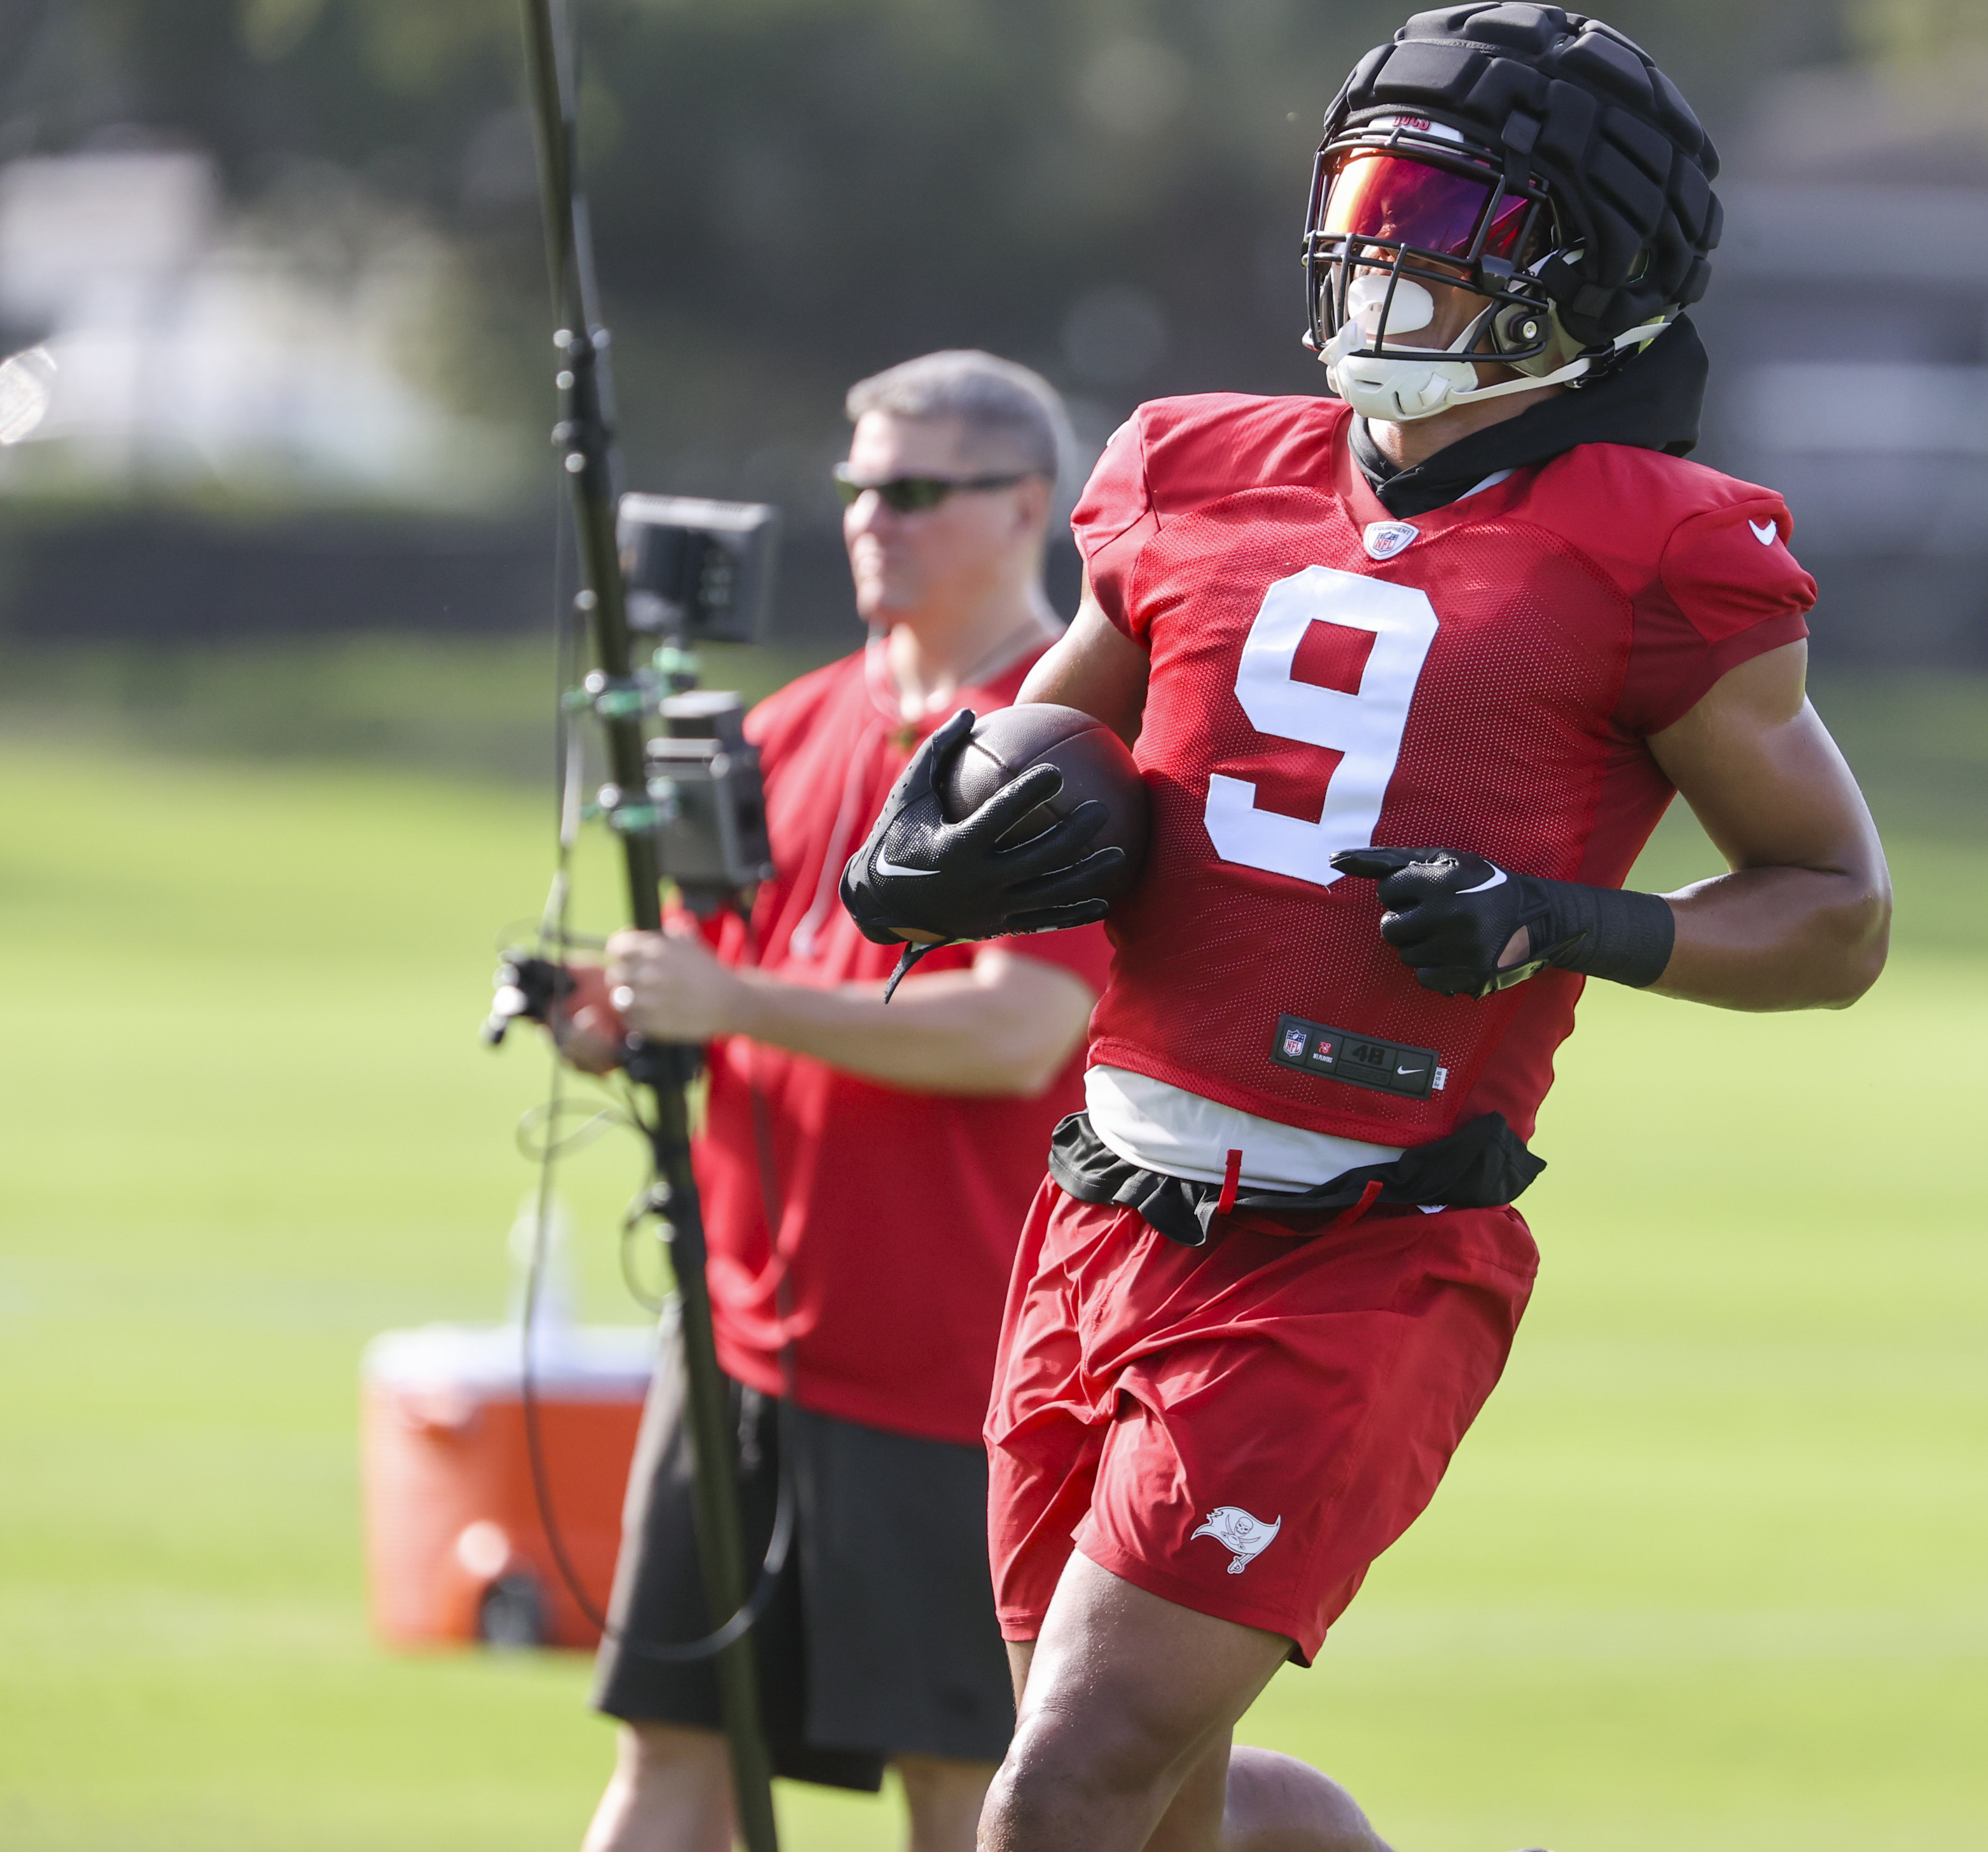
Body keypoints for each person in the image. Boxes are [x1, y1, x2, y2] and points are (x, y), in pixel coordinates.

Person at [842, 10, 1893, 1850]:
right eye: (1363, 191)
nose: (1382, 242)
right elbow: (1048, 731)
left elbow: (1836, 915)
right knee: (1160, 1801)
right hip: (1099, 1213)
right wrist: (931, 831)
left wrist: (1572, 924)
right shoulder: (1193, 464)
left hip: (1357, 1251)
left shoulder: (1664, 548)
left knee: (1059, 1794)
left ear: (1582, 259)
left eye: (1441, 210)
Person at [556, 350, 1113, 1852]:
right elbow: (719, 981)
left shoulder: (1059, 742)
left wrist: (736, 1004)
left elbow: (1020, 1027)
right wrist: (629, 1019)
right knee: (670, 1761)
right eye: (863, 487)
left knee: (962, 1792)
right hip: (735, 1343)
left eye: (920, 490)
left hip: (948, 1375)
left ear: (1028, 509)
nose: (878, 518)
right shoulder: (790, 728)